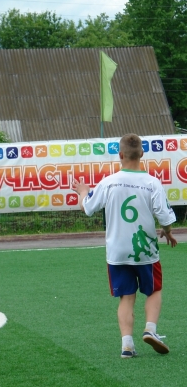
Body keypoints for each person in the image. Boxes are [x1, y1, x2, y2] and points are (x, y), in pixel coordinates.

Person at [72, 133, 177, 359]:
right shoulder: (152, 183)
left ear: (120, 155)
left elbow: (87, 208)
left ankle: (127, 345)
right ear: (141, 154)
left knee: (126, 297)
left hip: (117, 252)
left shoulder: (109, 182)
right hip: (145, 250)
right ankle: (150, 329)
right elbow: (164, 216)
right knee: (154, 289)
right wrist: (167, 233)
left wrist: (82, 192)